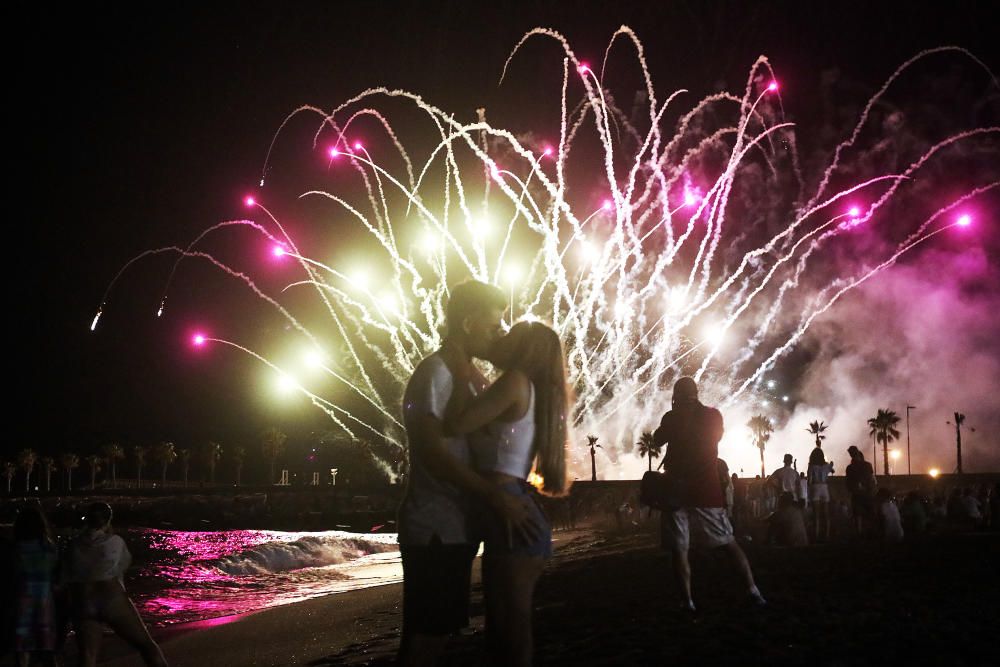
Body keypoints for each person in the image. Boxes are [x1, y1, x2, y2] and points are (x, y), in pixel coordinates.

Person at [396, 280, 537, 667]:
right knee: (428, 638)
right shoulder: (435, 374)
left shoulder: (462, 375)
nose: (500, 335)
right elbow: (432, 454)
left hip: (453, 528)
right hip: (435, 528)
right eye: (494, 326)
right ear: (469, 322)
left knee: (433, 633)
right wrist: (496, 497)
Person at [443, 320, 569, 667]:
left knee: (509, 635)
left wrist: (457, 374)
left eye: (511, 335)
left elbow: (457, 423)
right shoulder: (525, 387)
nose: (501, 336)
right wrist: (468, 372)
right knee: (505, 631)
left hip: (509, 515)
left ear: (523, 348)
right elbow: (489, 397)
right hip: (514, 511)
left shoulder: (515, 382)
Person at [653, 377, 765, 612]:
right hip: (707, 490)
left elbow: (657, 439)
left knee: (680, 550)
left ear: (676, 395)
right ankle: (752, 590)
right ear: (696, 393)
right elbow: (715, 438)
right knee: (728, 543)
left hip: (675, 493)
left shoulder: (671, 417)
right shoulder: (713, 416)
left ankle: (687, 602)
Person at [64, 503, 167, 667]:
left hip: (83, 601)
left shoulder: (73, 544)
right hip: (110, 599)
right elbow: (122, 565)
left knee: (87, 658)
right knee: (147, 647)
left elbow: (68, 573)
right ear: (108, 520)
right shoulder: (115, 542)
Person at [13, 505, 60, 667]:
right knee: (47, 642)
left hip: (22, 598)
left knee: (22, 644)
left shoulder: (15, 550)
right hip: (45, 600)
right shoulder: (49, 549)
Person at [845, 445, 876, 537]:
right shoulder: (868, 465)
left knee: (858, 515)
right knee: (870, 513)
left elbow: (848, 481)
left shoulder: (850, 468)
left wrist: (851, 489)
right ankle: (871, 532)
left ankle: (859, 533)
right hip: (867, 492)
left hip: (857, 493)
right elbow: (871, 478)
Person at [807, 446, 835, 542]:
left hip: (815, 487)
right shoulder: (826, 466)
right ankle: (827, 535)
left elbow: (809, 480)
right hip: (824, 487)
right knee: (826, 513)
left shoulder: (811, 466)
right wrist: (831, 464)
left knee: (816, 514)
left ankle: (816, 534)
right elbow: (832, 470)